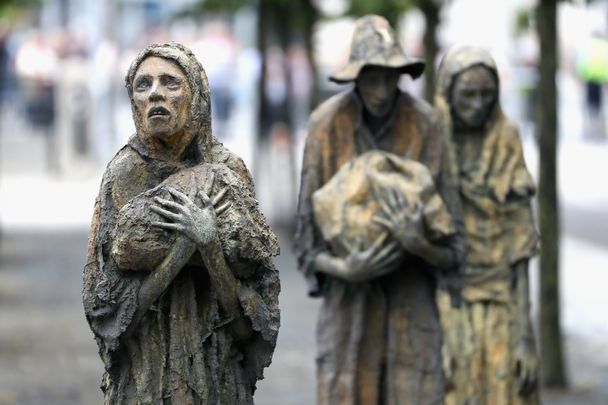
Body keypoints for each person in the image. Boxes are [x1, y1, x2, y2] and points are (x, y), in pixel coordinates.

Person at [83, 43, 280, 405]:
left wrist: (210, 248)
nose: (155, 92)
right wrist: (181, 251)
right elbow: (113, 319)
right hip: (147, 376)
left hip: (216, 372)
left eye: (170, 82)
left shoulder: (228, 172)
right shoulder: (123, 175)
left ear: (197, 96)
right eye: (143, 85)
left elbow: (245, 324)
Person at [294, 15, 465, 404]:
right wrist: (346, 269)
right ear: (355, 77)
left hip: (412, 307)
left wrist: (418, 243)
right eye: (372, 77)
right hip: (347, 309)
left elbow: (456, 249)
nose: (383, 89)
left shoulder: (427, 125)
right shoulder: (326, 125)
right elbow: (306, 244)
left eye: (392, 76)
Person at [434, 45, 539, 404]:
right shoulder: (432, 141)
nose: (478, 104)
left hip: (502, 301)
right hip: (449, 302)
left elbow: (521, 243)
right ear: (448, 92)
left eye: (486, 94)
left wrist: (527, 336)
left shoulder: (506, 138)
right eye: (468, 94)